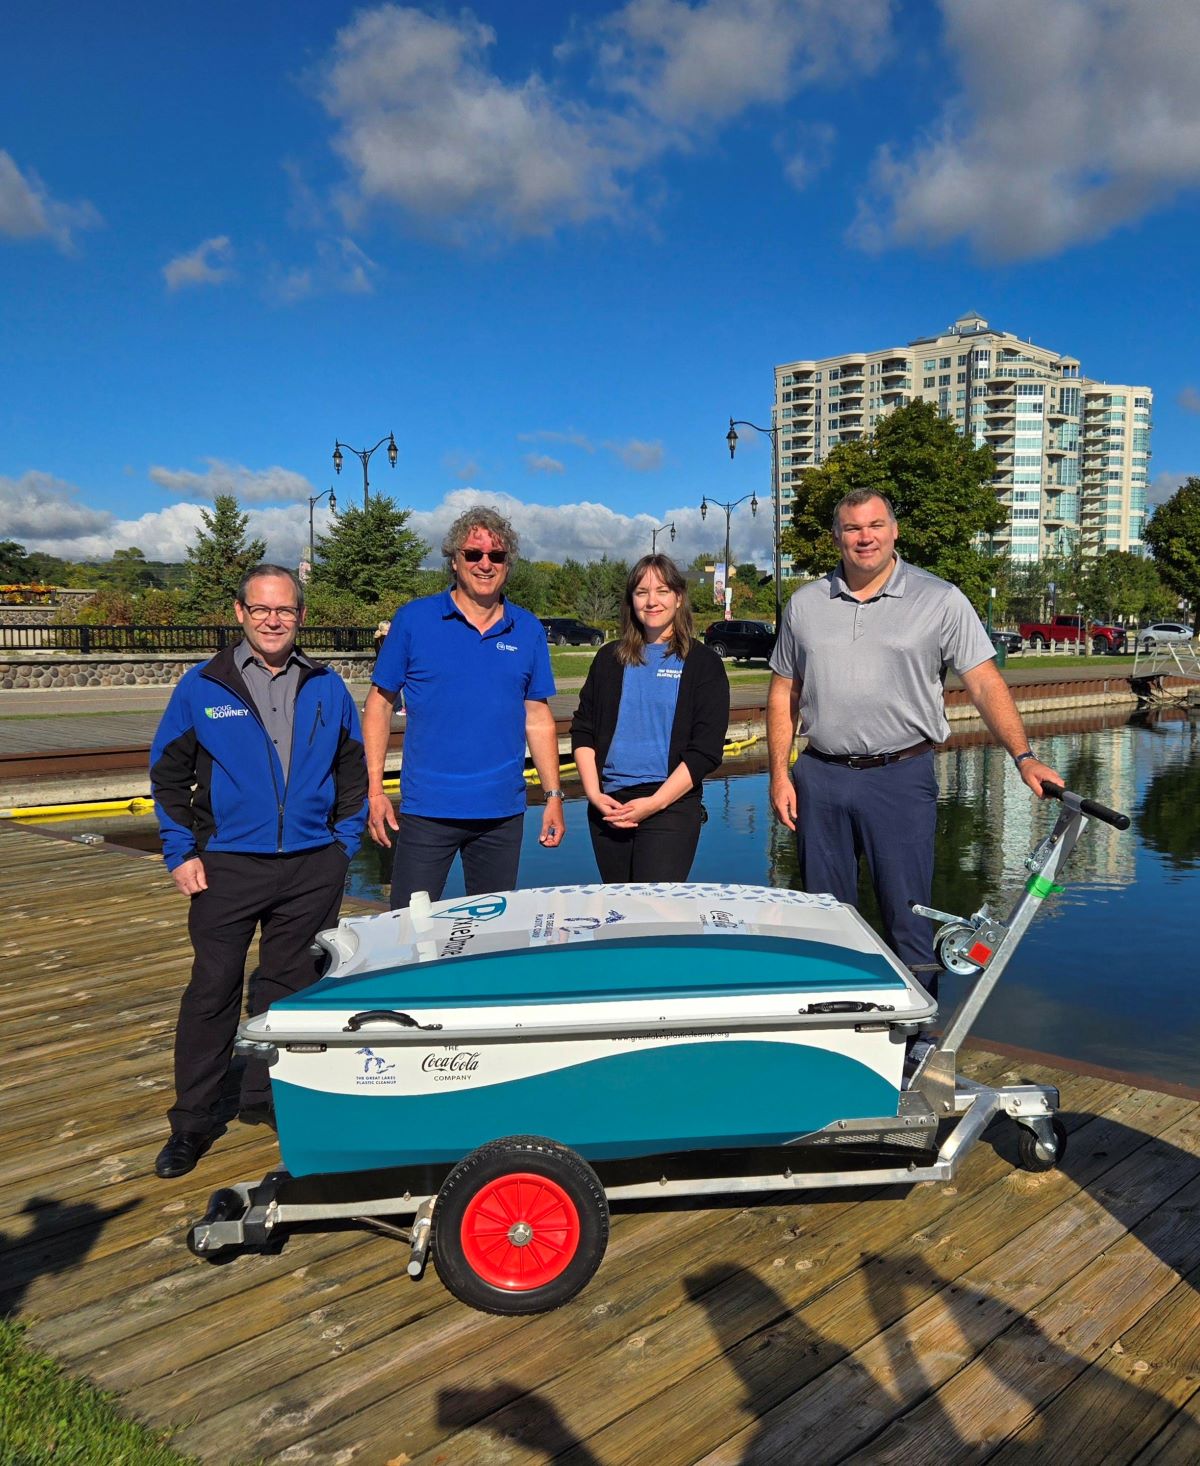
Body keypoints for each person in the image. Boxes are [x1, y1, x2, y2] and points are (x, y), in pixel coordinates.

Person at [767, 489, 1061, 985]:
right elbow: (783, 692)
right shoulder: (805, 604)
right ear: (837, 537)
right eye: (853, 528)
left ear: (894, 530)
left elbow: (985, 681)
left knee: (909, 916)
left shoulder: (939, 598)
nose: (865, 538)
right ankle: (837, 1027)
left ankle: (915, 1039)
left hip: (899, 778)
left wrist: (1023, 755)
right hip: (820, 777)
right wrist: (780, 773)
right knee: (824, 916)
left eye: (876, 525)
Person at [149, 564, 367, 1178]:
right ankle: (191, 1123)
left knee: (286, 990)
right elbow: (168, 774)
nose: (275, 620)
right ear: (241, 614)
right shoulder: (203, 686)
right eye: (262, 609)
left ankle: (265, 1098)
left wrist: (341, 845)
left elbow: (354, 776)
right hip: (226, 868)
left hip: (309, 868)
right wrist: (180, 851)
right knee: (213, 989)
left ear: (301, 616)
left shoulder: (326, 686)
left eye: (287, 610)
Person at [363, 505, 564, 909]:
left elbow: (538, 717)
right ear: (454, 561)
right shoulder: (414, 620)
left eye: (497, 555)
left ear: (508, 563)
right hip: (428, 810)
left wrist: (554, 795)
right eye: (473, 554)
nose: (485, 564)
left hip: (501, 813)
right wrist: (374, 791)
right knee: (409, 927)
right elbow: (379, 705)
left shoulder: (526, 629)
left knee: (491, 935)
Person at [571, 554, 730, 881]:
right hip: (609, 806)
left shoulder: (703, 664)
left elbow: (706, 751)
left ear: (679, 597)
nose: (652, 601)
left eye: (662, 591)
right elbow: (583, 730)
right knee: (619, 916)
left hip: (669, 806)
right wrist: (594, 794)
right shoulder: (608, 659)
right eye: (642, 592)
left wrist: (654, 803)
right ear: (631, 600)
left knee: (656, 915)